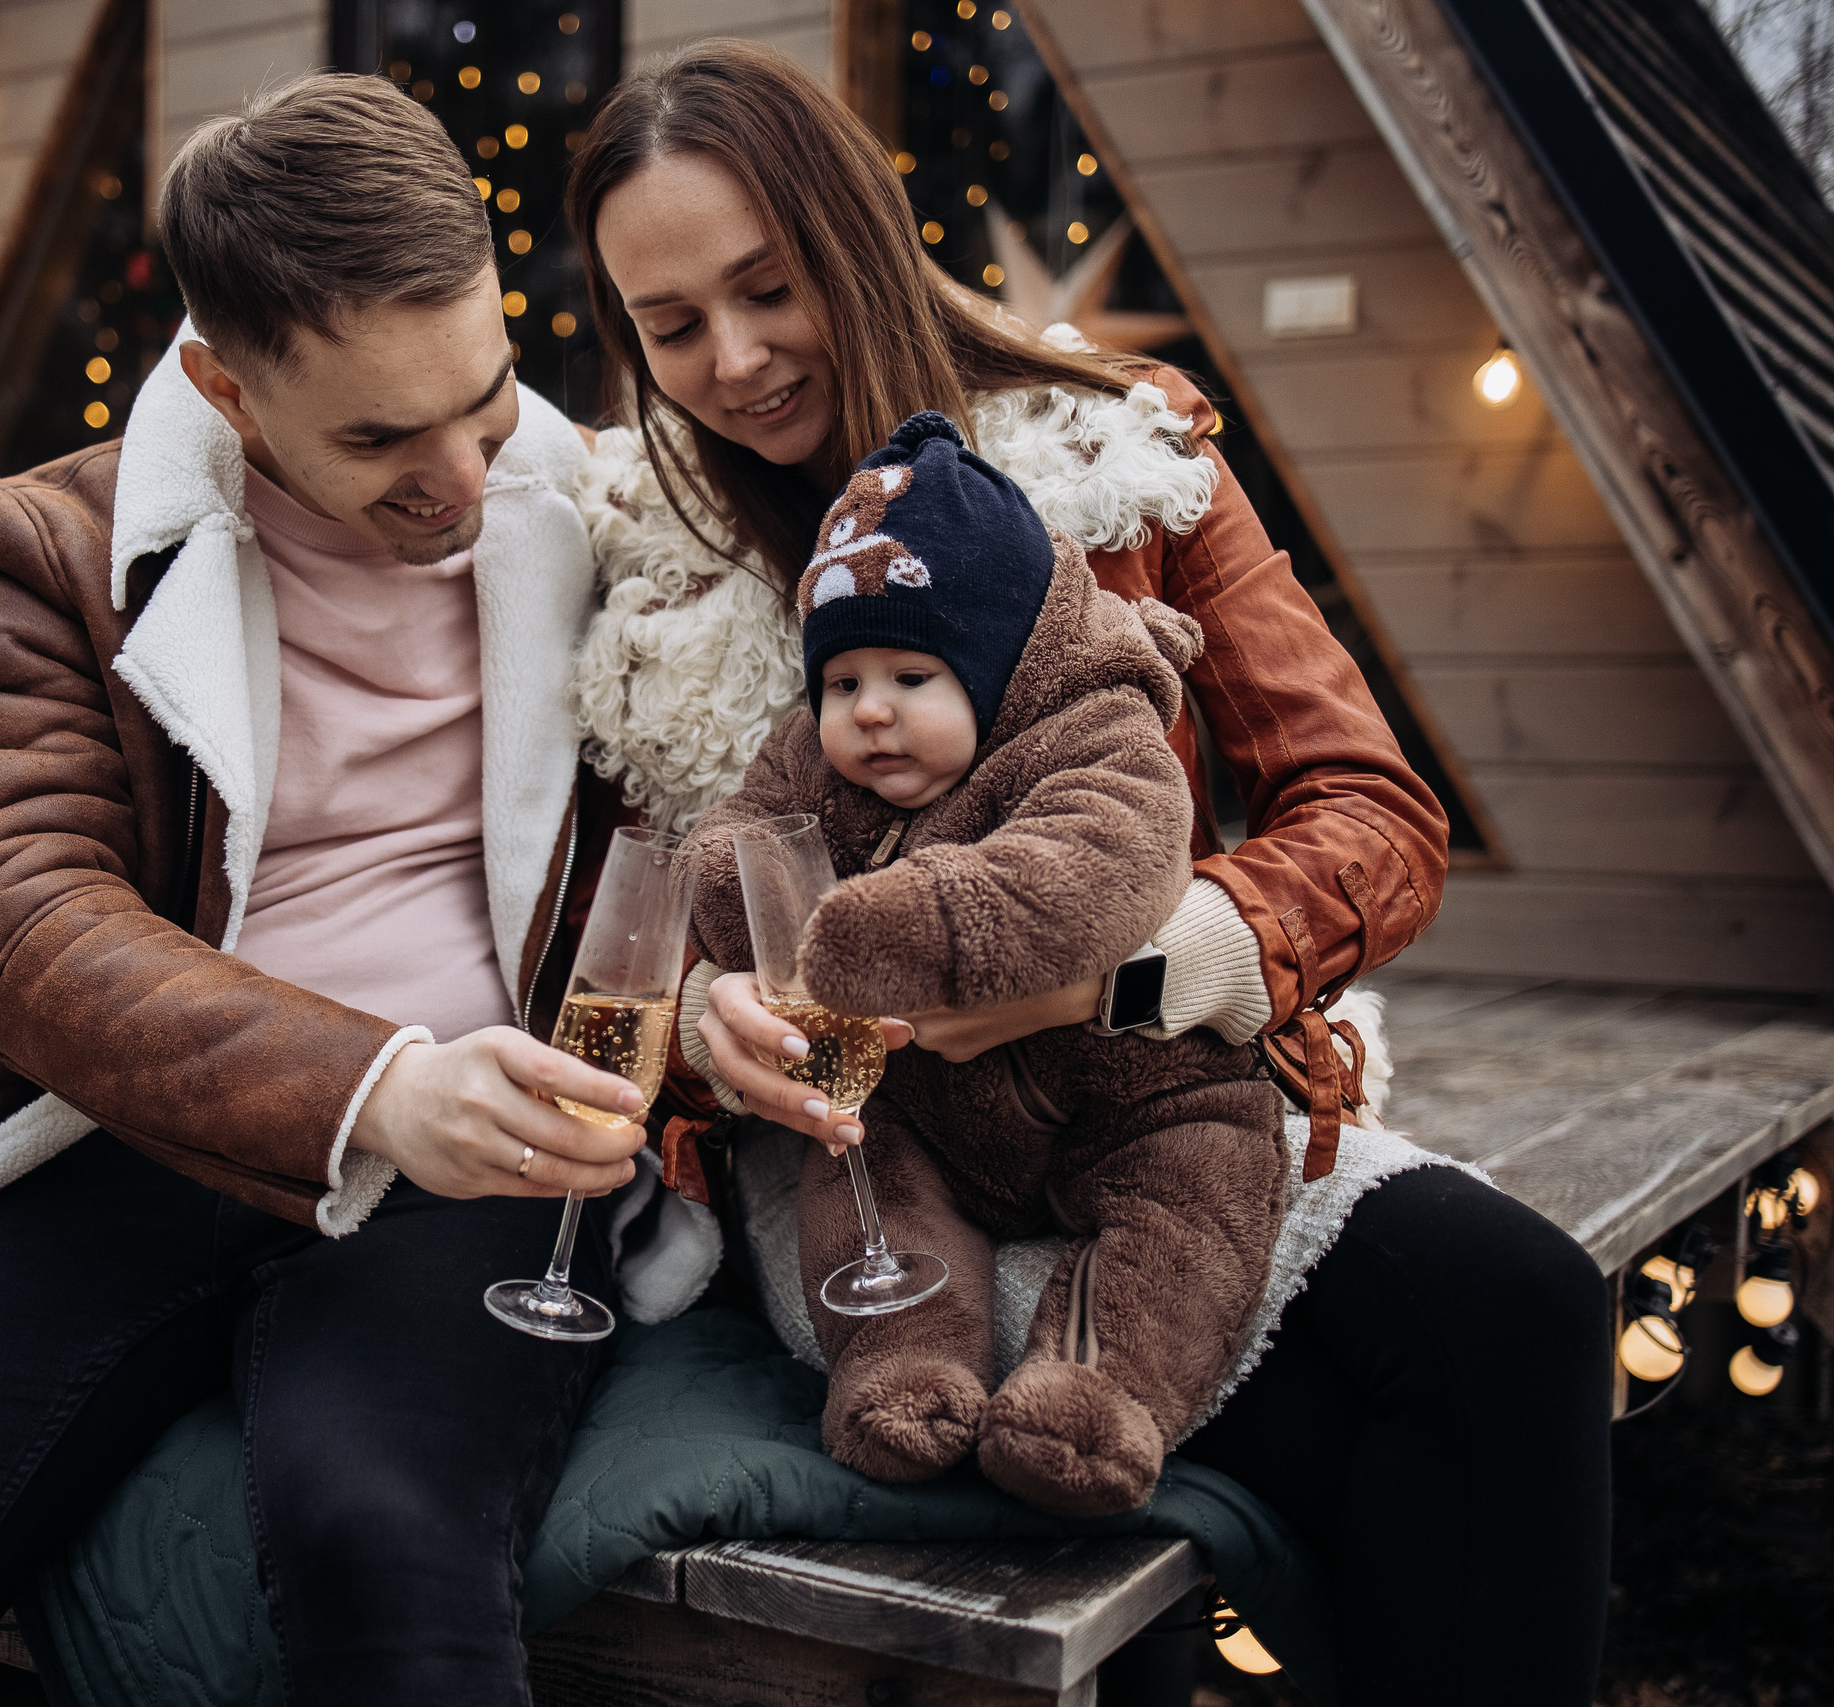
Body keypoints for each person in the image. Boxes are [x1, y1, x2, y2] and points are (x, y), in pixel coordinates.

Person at [563, 40, 1612, 1705]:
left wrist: (1137, 966)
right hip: (860, 1163)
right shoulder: (633, 556)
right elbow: (604, 937)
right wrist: (705, 1031)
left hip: (1146, 1092)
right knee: (1335, 1439)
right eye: (670, 324)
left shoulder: (1124, 459)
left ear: (856, 240)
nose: (736, 359)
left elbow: (1373, 811)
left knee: (1523, 1305)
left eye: (768, 288)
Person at [0, 75, 657, 1706]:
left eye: (482, 400)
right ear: (225, 386)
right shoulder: (35, 553)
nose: (462, 480)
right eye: (376, 438)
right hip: (122, 1138)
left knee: (383, 1544)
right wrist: (375, 1086)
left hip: (484, 1158)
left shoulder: (616, 506)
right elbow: (19, 923)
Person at [682, 413, 1286, 1517]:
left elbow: (1098, 859)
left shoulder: (1093, 729)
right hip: (928, 1107)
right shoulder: (815, 759)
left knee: (1192, 1209)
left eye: (912, 674)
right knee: (857, 1164)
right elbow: (734, 837)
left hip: (1130, 1094)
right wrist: (741, 895)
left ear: (1001, 667)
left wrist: (912, 924)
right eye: (841, 681)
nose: (869, 710)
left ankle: (1098, 1394)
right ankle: (902, 1369)